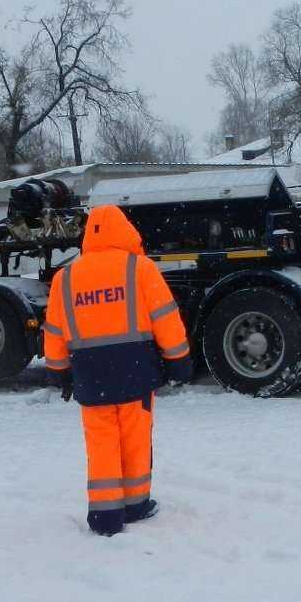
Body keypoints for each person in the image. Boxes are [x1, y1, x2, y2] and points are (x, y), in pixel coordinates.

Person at [43, 204, 193, 536]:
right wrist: (178, 359)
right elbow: (166, 318)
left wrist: (58, 372)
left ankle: (105, 515)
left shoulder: (65, 278)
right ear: (125, 230)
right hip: (135, 371)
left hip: (90, 376)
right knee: (135, 440)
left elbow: (55, 330)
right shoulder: (139, 269)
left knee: (101, 443)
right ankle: (136, 504)